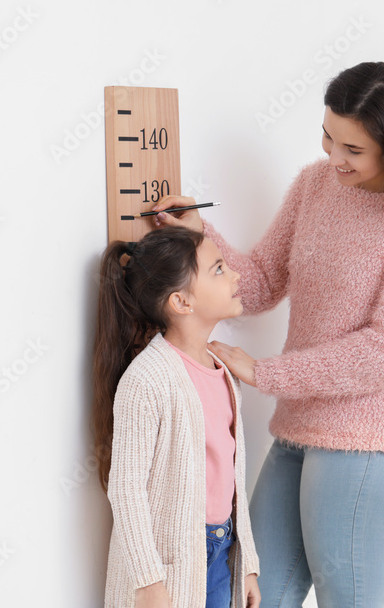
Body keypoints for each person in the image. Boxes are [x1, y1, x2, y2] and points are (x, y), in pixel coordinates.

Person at [153, 61, 384, 606]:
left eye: (353, 150)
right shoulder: (314, 185)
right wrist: (202, 234)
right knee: (250, 597)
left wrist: (266, 372)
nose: (333, 158)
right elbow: (265, 282)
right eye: (328, 136)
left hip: (370, 435)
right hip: (299, 427)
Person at [92, 226, 261, 608]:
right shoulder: (148, 379)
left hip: (220, 549)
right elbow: (125, 488)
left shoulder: (223, 370)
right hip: (169, 565)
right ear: (181, 302)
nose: (234, 274)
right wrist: (148, 581)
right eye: (218, 269)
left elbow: (233, 480)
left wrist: (246, 561)